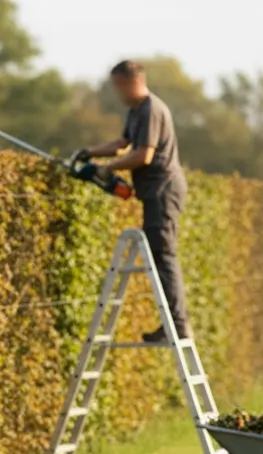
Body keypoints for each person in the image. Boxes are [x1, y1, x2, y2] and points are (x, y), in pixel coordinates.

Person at [76, 60, 192, 343]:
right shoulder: (136, 111)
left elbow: (144, 155)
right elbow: (122, 144)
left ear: (130, 81)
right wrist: (89, 153)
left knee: (164, 256)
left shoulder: (152, 109)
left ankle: (176, 327)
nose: (117, 93)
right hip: (153, 191)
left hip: (163, 189)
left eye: (117, 86)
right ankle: (172, 325)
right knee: (159, 254)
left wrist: (107, 169)